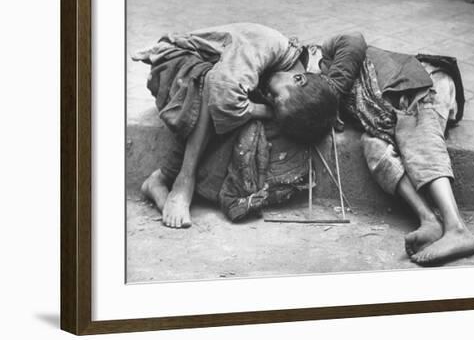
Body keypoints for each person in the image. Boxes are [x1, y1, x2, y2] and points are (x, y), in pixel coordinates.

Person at [266, 32, 474, 266]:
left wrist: (332, 91)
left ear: (299, 79)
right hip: (386, 117)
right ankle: (429, 219)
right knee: (373, 146)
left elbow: (354, 39)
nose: (269, 97)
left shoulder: (320, 55)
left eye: (274, 97)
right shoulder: (309, 100)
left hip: (422, 84)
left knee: (417, 135)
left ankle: (457, 228)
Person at [133, 23, 337, 228]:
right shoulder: (268, 46)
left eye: (273, 101)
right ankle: (183, 182)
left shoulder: (290, 78)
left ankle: (159, 179)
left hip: (201, 84)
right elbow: (222, 90)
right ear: (299, 79)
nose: (269, 98)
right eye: (276, 97)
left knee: (242, 117)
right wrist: (266, 111)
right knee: (214, 89)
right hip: (173, 65)